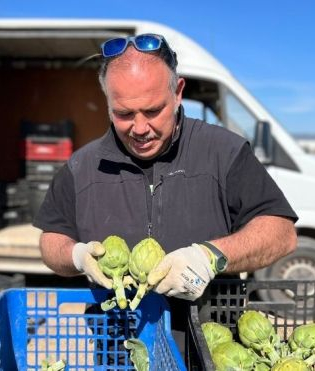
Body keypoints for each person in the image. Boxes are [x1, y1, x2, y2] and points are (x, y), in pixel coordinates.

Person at [32, 33, 298, 351]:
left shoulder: (223, 151)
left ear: (178, 93)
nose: (140, 128)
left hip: (210, 347)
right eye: (124, 114)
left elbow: (281, 232)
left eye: (153, 110)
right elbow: (51, 240)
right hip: (119, 348)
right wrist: (76, 256)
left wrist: (210, 256)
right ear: (107, 103)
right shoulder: (82, 166)